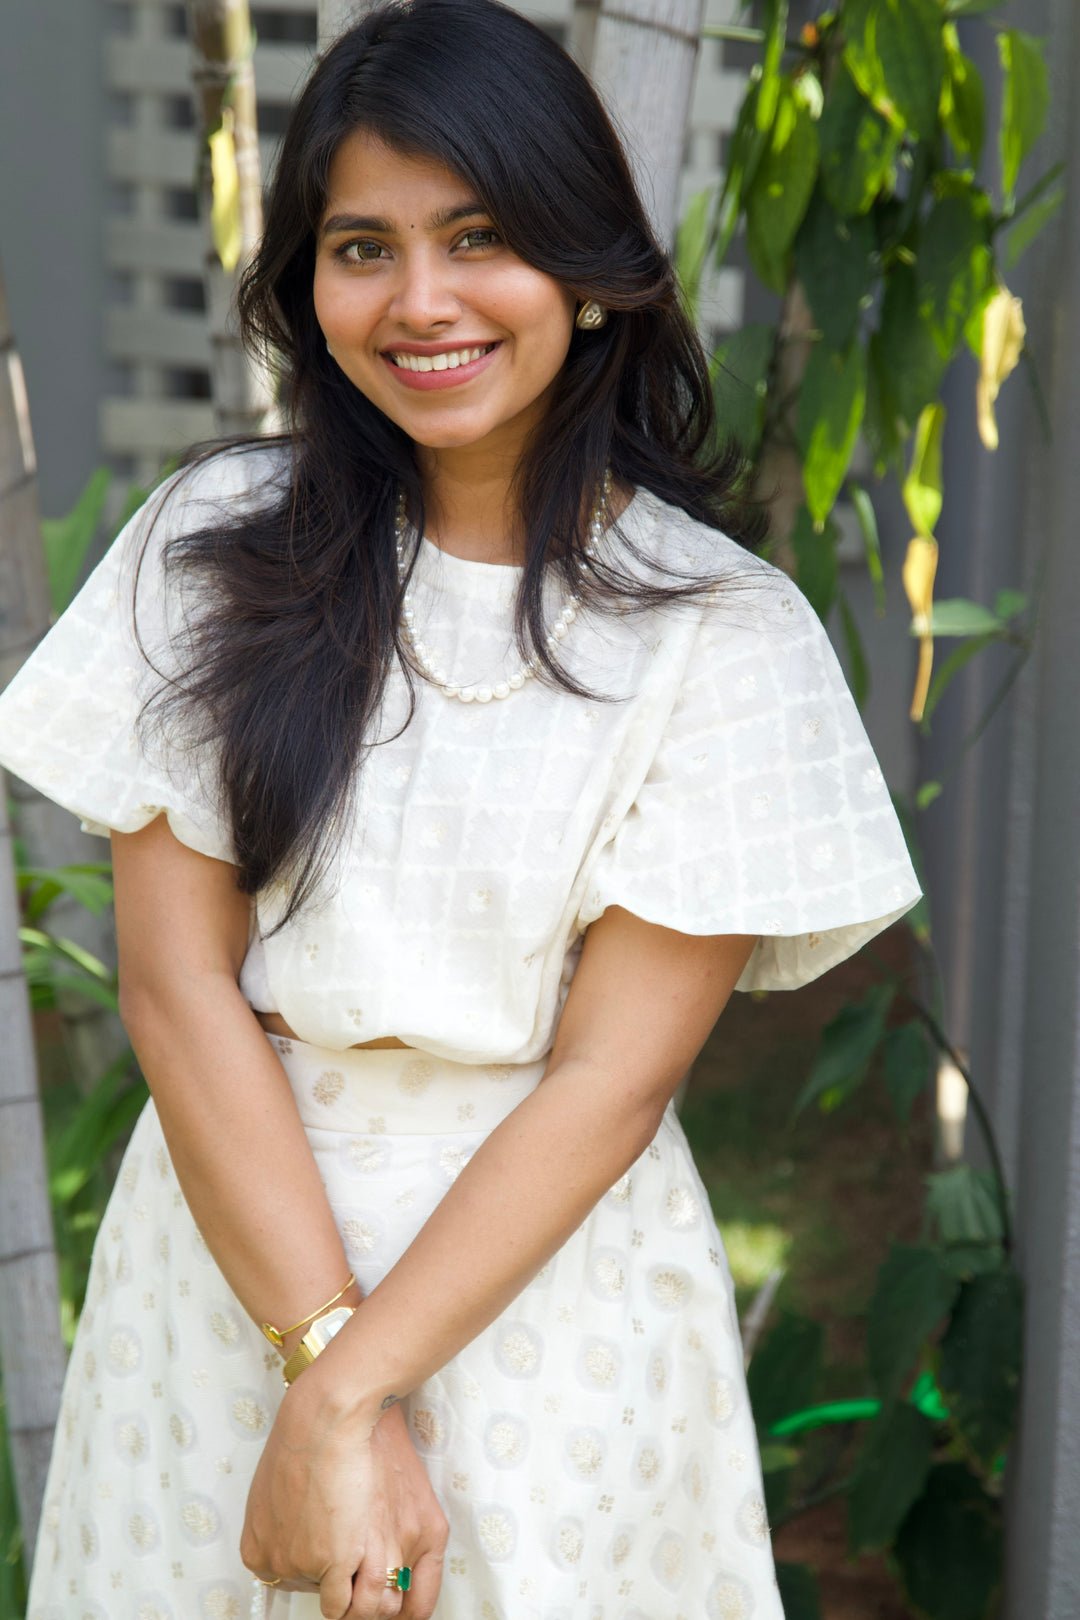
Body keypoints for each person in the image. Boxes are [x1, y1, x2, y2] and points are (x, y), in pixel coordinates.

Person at [0, 2, 921, 1616]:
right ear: (308, 285)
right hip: (225, 1272)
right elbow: (177, 985)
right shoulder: (214, 543)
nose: (420, 302)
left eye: (478, 236)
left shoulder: (718, 632)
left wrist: (351, 1402)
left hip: (554, 1308)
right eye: (363, 246)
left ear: (583, 262)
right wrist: (316, 1357)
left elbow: (610, 1083)